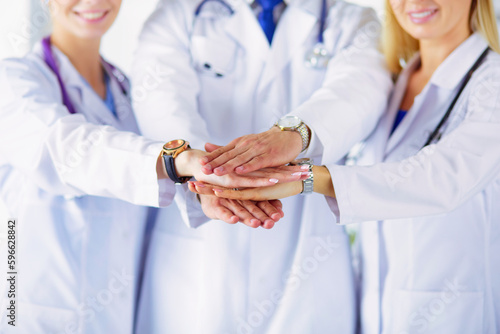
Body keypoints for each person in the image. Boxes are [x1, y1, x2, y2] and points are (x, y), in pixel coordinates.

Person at [193, 0, 500, 332]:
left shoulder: (492, 81)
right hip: (376, 312)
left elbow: (444, 177)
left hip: (455, 312)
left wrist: (310, 179)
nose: (415, 2)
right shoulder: (397, 82)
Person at [0, 0, 290, 332]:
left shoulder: (126, 90)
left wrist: (209, 190)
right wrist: (174, 159)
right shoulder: (13, 81)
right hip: (36, 314)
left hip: (117, 317)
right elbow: (65, 146)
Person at [131, 0, 392, 332]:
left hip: (308, 274)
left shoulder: (352, 21)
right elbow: (160, 100)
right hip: (198, 269)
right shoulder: (177, 16)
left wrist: (297, 133)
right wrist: (204, 175)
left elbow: (362, 89)